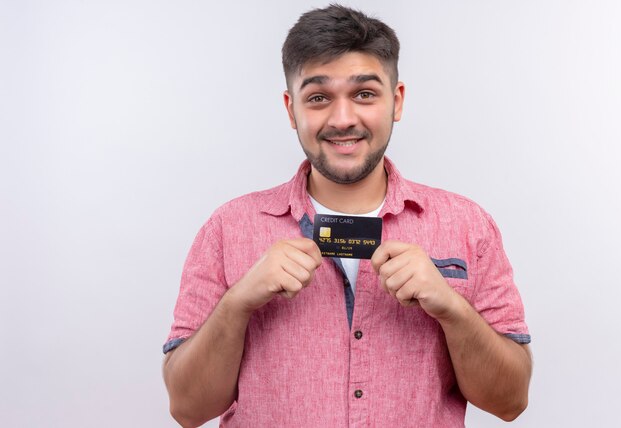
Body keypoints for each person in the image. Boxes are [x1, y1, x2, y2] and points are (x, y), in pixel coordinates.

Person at [162, 4, 532, 427]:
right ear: (291, 109)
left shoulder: (469, 225)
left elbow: (510, 401)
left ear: (396, 101)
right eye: (318, 97)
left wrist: (451, 307)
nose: (343, 119)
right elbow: (187, 410)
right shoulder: (227, 230)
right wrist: (238, 304)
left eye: (364, 94)